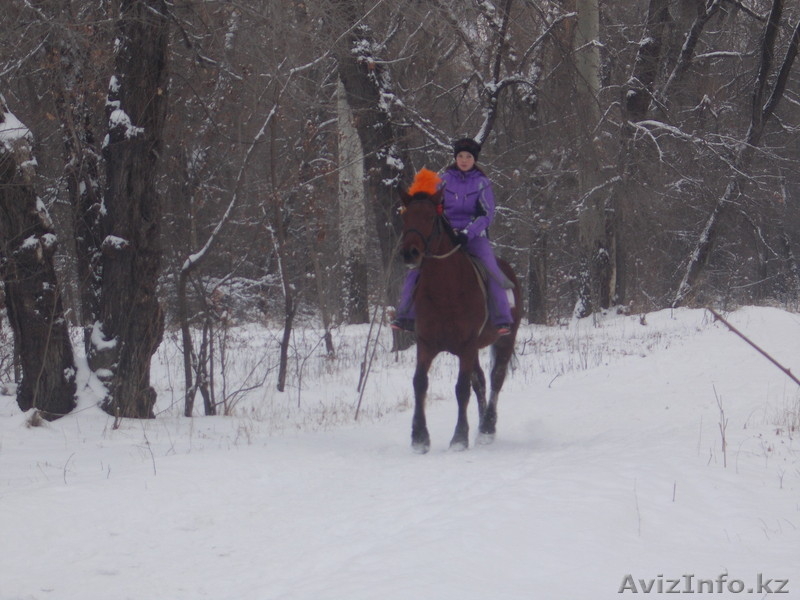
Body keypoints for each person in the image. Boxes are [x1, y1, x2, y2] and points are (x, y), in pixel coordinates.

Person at [392, 137, 513, 335]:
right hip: (445, 233)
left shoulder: (482, 183)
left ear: (474, 160)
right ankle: (406, 315)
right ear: (455, 158)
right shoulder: (444, 179)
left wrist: (468, 233)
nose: (464, 160)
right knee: (416, 268)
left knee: (491, 268)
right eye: (460, 156)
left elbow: (487, 214)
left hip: (474, 235)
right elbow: (433, 206)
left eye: (468, 157)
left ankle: (501, 318)